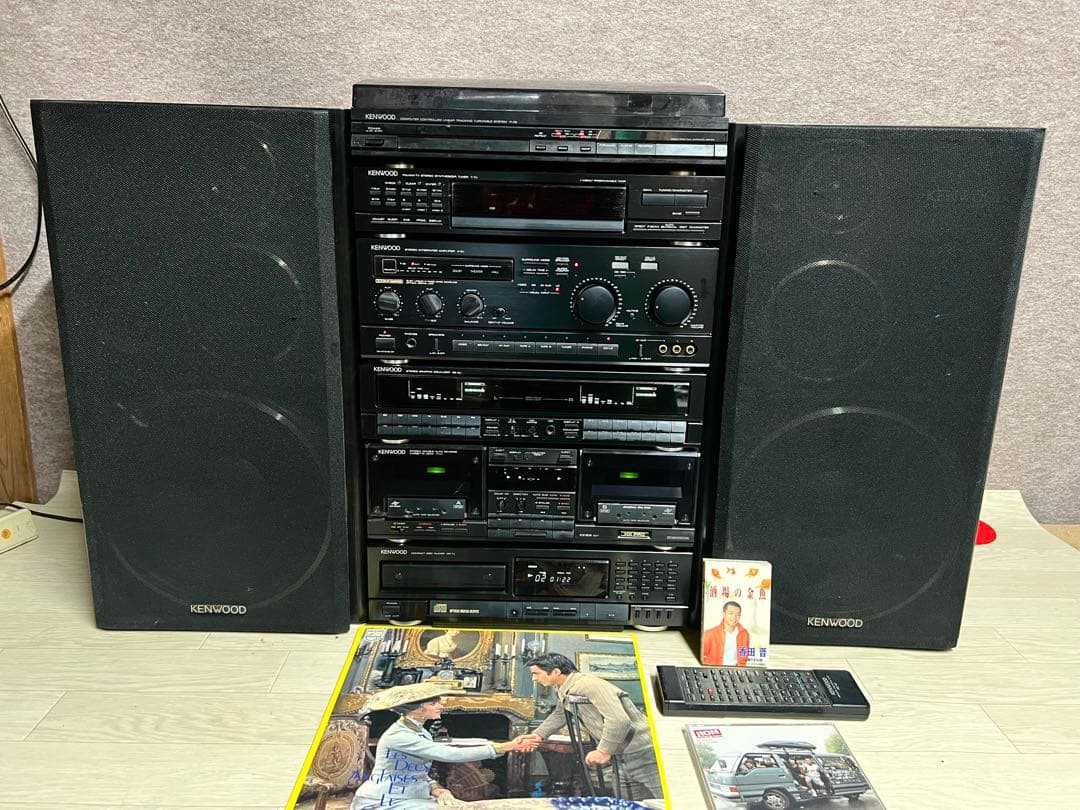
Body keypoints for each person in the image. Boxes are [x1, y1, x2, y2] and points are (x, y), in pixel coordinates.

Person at [350, 682, 533, 809]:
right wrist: (507, 746)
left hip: (408, 797)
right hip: (384, 801)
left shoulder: (419, 731)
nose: (441, 705)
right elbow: (451, 755)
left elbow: (416, 771)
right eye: (434, 703)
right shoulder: (399, 736)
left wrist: (436, 788)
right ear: (419, 710)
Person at [520, 652, 662, 801]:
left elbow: (619, 720)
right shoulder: (564, 688)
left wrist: (603, 751)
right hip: (621, 754)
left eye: (536, 673)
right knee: (628, 803)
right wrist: (537, 735)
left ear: (556, 671)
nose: (534, 678)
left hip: (643, 751)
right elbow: (560, 714)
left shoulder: (588, 685)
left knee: (665, 800)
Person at [701, 600, 750, 666]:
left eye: (738, 615)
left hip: (736, 669)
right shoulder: (709, 634)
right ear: (723, 614)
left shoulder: (744, 634)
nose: (734, 617)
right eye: (731, 613)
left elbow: (744, 655)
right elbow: (701, 656)